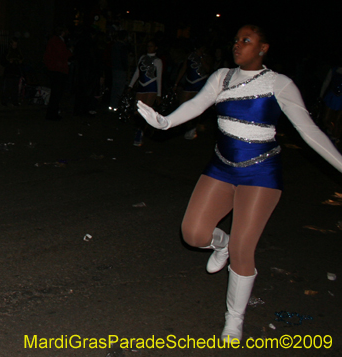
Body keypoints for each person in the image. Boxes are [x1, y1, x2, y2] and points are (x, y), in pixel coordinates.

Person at [137, 25, 342, 343]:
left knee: (244, 250)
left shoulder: (279, 83)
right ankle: (221, 244)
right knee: (192, 234)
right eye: (236, 40)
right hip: (221, 167)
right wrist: (166, 121)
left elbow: (309, 131)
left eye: (246, 41)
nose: (238, 45)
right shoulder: (221, 76)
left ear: (263, 48)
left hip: (261, 174)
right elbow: (197, 105)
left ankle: (234, 319)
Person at [174, 43, 213, 140]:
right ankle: (182, 124)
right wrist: (176, 83)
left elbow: (208, 69)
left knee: (196, 107)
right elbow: (183, 69)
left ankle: (193, 127)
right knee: (182, 104)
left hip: (200, 83)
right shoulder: (190, 56)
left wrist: (201, 57)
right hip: (189, 83)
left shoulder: (206, 57)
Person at [128, 39, 162, 145]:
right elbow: (138, 72)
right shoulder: (142, 58)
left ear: (156, 47)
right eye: (148, 46)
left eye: (151, 46)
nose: (149, 48)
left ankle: (140, 133)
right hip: (141, 86)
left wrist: (159, 94)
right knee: (137, 110)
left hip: (151, 87)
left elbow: (159, 77)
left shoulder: (157, 60)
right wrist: (130, 85)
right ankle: (141, 129)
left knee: (146, 111)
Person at [43, 26, 71, 120]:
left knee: (56, 93)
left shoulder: (54, 41)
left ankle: (52, 113)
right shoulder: (57, 41)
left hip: (55, 69)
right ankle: (52, 114)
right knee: (56, 94)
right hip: (58, 70)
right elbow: (63, 54)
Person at [319, 64, 342, 145]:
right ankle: (332, 133)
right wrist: (321, 95)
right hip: (332, 95)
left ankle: (335, 138)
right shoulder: (334, 69)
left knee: (338, 121)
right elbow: (326, 82)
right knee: (326, 119)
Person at [0, 37, 24, 106]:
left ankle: (15, 101)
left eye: (16, 45)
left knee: (15, 88)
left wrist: (20, 62)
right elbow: (2, 62)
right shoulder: (7, 51)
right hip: (9, 72)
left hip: (16, 72)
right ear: (11, 44)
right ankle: (5, 101)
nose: (15, 46)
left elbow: (22, 60)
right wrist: (8, 62)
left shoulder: (18, 51)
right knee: (7, 87)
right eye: (14, 45)